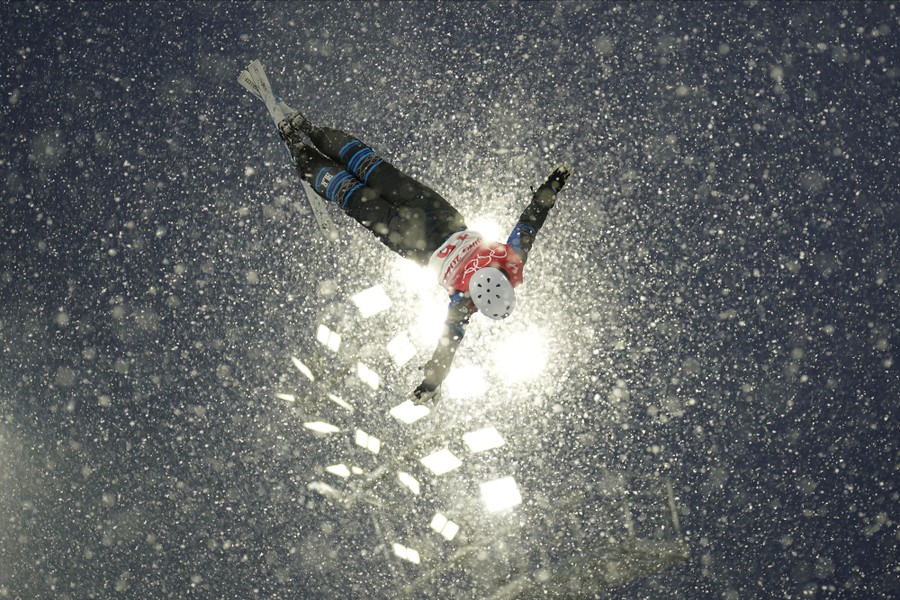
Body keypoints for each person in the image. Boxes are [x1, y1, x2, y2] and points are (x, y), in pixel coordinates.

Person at [276, 110, 571, 404]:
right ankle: (308, 148)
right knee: (360, 193)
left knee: (371, 173)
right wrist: (432, 381)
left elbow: (530, 223)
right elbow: (449, 342)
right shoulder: (469, 299)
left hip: (436, 218)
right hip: (419, 238)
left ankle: (311, 141)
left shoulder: (509, 263)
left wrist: (551, 187)